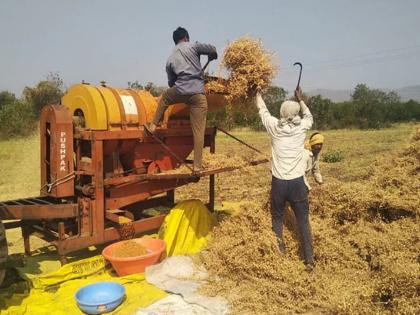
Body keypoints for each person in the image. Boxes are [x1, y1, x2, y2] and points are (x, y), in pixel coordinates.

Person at [255, 87, 314, 268]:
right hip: (297, 183)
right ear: (295, 112)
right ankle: (309, 260)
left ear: (281, 112)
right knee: (303, 221)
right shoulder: (302, 127)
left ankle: (279, 255)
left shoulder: (274, 126)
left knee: (277, 218)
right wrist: (301, 99)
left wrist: (257, 94)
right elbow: (309, 117)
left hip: (279, 183)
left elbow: (263, 111)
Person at [145, 27, 217, 173]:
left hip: (180, 90)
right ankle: (197, 166)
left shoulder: (170, 58)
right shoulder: (194, 46)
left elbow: (171, 82)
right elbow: (212, 49)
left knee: (165, 98)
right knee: (198, 131)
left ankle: (153, 126)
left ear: (175, 41)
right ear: (186, 38)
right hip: (197, 93)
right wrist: (213, 55)